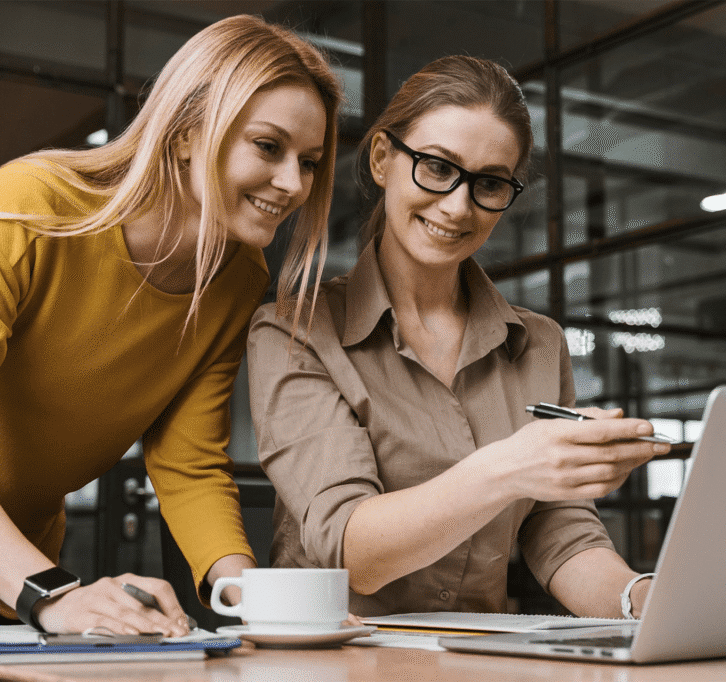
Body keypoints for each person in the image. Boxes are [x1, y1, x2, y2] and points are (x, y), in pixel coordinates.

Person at [0, 12, 341, 663]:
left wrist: (256, 603)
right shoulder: (31, 207)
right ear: (190, 131)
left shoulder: (236, 278)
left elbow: (189, 463)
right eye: (269, 147)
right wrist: (49, 594)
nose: (294, 185)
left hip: (17, 557)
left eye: (309, 162)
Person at [246, 55, 669, 619]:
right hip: (333, 660)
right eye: (437, 167)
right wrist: (510, 467)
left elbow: (560, 532)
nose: (457, 205)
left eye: (490, 183)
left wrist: (642, 600)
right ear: (381, 159)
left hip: (471, 657)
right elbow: (351, 549)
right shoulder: (293, 330)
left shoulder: (538, 343)